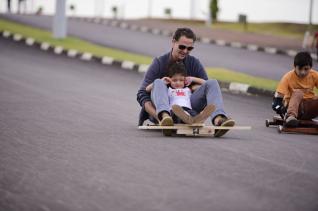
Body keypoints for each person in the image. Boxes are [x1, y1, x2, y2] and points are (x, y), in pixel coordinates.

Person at [137, 27, 235, 137]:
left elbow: (207, 89)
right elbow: (142, 93)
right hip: (164, 109)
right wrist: (157, 116)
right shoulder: (159, 63)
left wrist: (193, 85)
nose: (185, 51)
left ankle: (219, 120)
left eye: (189, 49)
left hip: (188, 107)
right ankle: (165, 117)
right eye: (182, 47)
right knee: (158, 82)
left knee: (212, 83)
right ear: (173, 42)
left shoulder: (194, 63)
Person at [145, 62, 215, 124]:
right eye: (174, 80)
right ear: (170, 80)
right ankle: (192, 120)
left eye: (181, 80)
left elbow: (207, 84)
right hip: (174, 110)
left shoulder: (188, 89)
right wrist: (162, 81)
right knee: (177, 113)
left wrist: (192, 79)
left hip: (188, 110)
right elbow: (147, 89)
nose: (178, 83)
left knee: (192, 113)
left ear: (184, 80)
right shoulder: (168, 90)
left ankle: (197, 118)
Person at [272, 51, 318, 127]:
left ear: (310, 67)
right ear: (294, 66)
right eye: (300, 69)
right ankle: (291, 118)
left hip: (309, 107)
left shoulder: (314, 75)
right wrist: (278, 107)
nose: (303, 72)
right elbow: (278, 97)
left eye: (306, 69)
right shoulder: (288, 77)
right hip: (294, 109)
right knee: (298, 92)